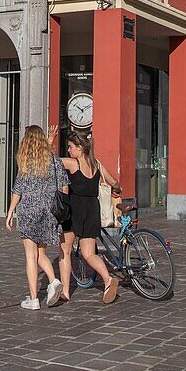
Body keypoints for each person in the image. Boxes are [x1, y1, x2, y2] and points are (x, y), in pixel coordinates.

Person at [6, 125, 68, 310]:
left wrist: (10, 212)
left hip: (28, 212)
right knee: (41, 253)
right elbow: (65, 187)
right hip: (49, 213)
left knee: (30, 256)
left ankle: (34, 299)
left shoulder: (26, 162)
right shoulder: (55, 161)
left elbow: (18, 190)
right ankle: (53, 280)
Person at [56, 130, 121, 304]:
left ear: (80, 148)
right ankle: (107, 279)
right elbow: (114, 182)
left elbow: (50, 163)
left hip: (74, 209)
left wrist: (49, 142)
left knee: (65, 250)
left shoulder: (72, 163)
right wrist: (116, 191)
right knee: (89, 253)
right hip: (92, 209)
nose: (69, 150)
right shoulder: (97, 164)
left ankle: (66, 291)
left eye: (71, 147)